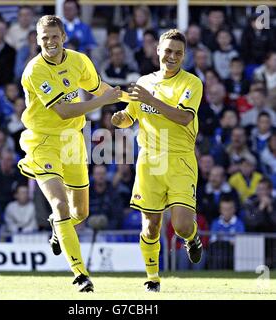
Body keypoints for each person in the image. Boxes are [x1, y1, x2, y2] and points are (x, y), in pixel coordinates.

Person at [18, 15, 127, 292]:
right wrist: (103, 102)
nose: (50, 42)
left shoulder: (79, 61)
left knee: (80, 212)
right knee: (60, 205)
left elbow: (98, 88)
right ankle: (81, 274)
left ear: (64, 37)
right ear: (37, 40)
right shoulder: (35, 70)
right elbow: (65, 110)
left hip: (73, 142)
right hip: (42, 142)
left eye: (55, 36)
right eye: (44, 38)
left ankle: (59, 228)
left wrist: (128, 98)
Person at [111, 29, 203, 292]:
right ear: (158, 51)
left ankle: (193, 238)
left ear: (183, 56)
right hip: (149, 161)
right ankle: (152, 278)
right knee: (150, 226)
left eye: (178, 53)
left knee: (182, 225)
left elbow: (184, 117)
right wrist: (120, 119)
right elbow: (131, 115)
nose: (172, 56)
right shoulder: (144, 82)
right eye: (168, 51)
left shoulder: (191, 83)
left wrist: (151, 100)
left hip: (180, 160)